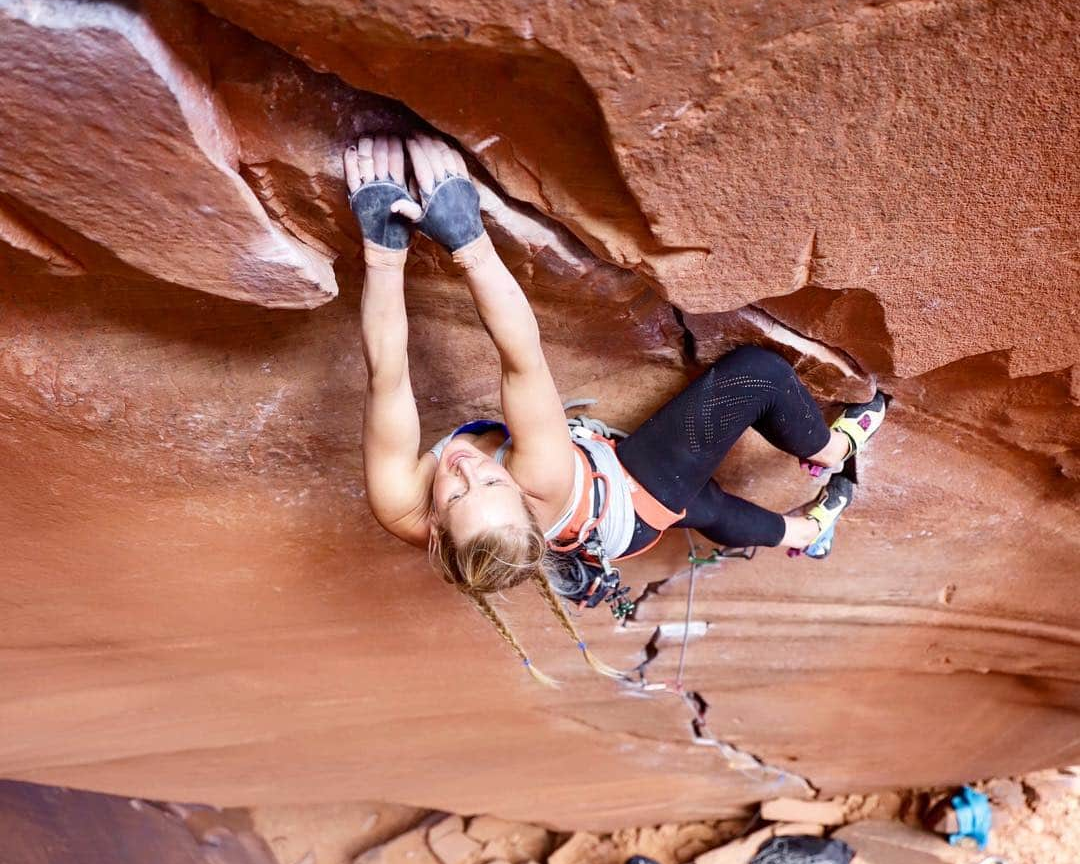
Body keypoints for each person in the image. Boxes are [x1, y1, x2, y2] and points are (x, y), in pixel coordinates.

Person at [346, 133, 887, 683]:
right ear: (523, 498)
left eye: (461, 492)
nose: (466, 469)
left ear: (436, 526)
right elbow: (521, 359)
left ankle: (807, 530)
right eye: (489, 485)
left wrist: (383, 250)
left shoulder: (400, 503)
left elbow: (387, 376)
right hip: (631, 495)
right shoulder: (541, 475)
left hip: (600, 521)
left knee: (706, 506)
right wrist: (468, 239)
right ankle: (832, 448)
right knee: (757, 379)